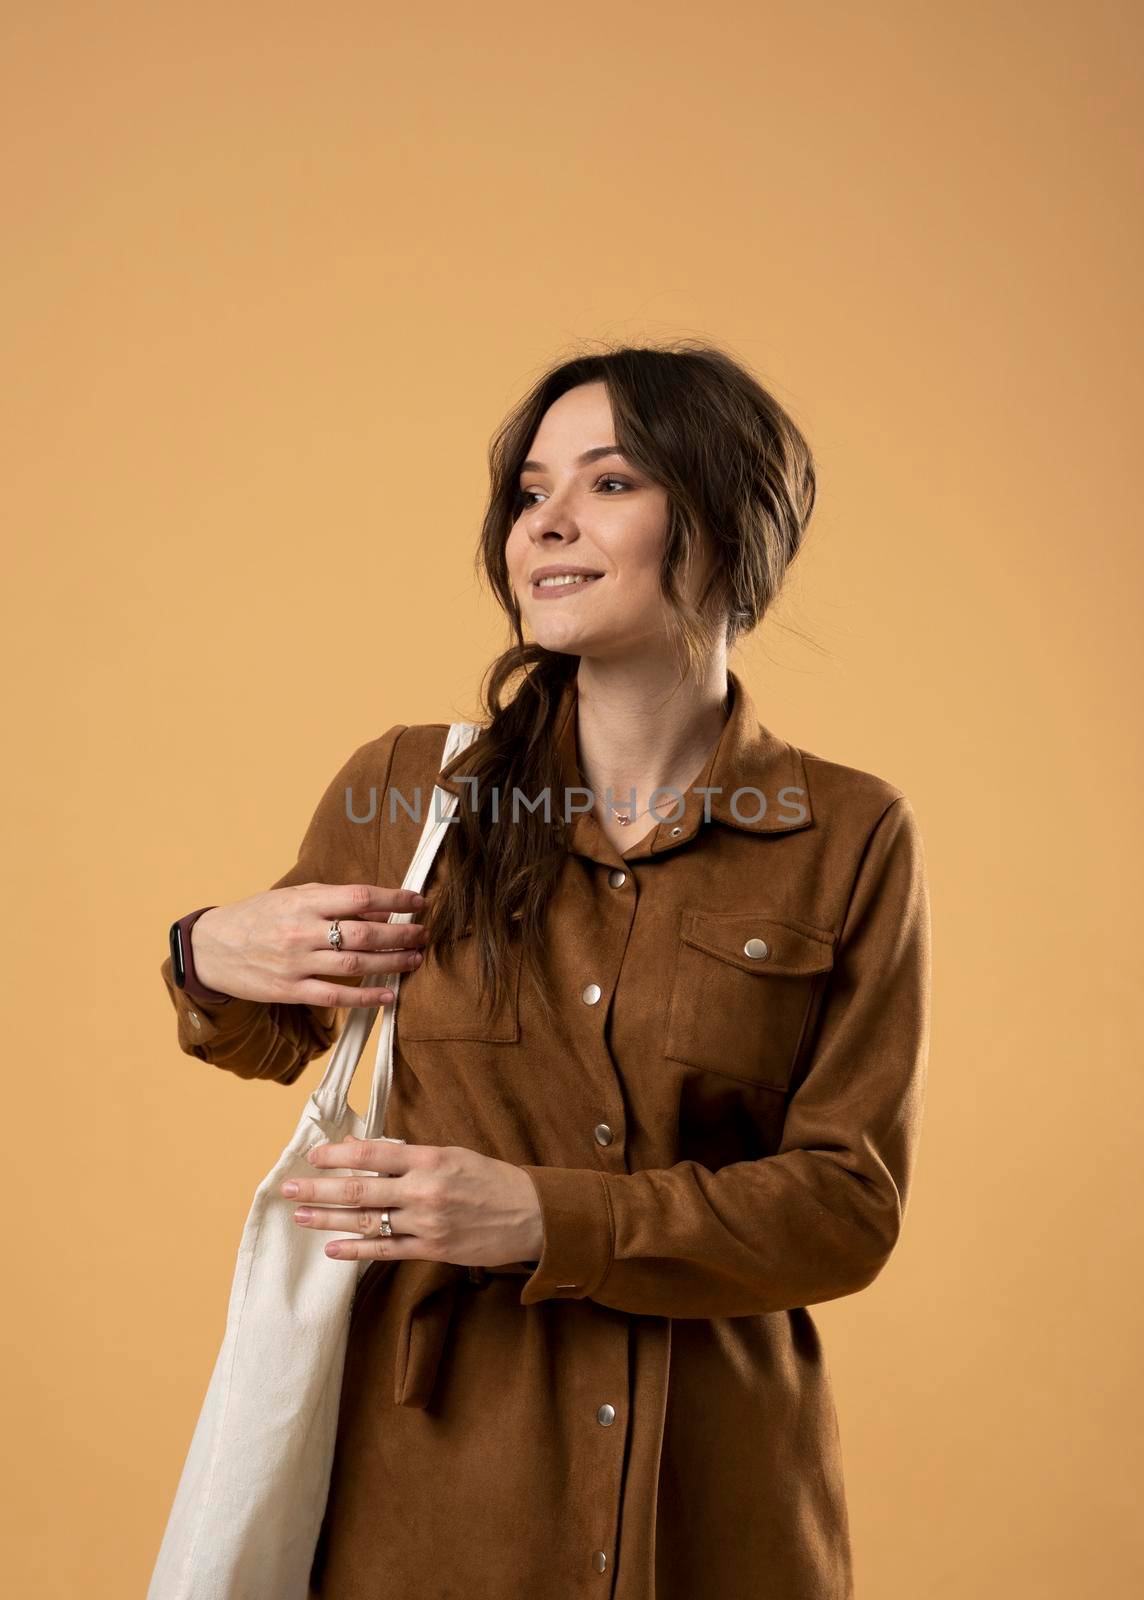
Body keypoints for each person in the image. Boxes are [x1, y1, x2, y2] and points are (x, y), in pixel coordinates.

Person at [160, 342, 932, 1600]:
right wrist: (206, 951)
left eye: (609, 483)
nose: (547, 526)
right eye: (529, 494)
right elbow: (269, 1033)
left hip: (718, 1504)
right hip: (433, 1498)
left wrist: (540, 1217)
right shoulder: (413, 789)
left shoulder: (846, 834)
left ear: (726, 523)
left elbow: (845, 1207)